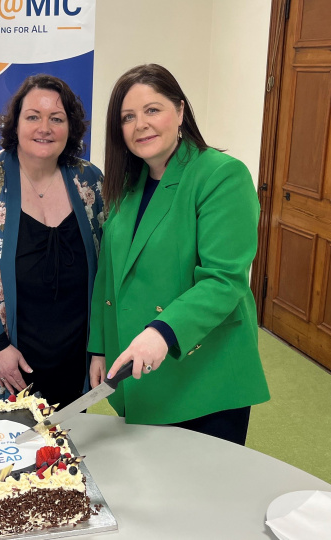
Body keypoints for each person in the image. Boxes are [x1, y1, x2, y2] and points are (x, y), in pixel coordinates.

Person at [88, 64, 270, 445]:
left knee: (201, 493)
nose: (141, 124)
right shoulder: (128, 182)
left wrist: (161, 332)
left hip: (204, 372)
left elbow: (224, 280)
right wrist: (100, 348)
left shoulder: (221, 175)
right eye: (128, 117)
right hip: (141, 368)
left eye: (152, 110)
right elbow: (108, 272)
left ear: (181, 112)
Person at [0, 74, 105, 408]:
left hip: (72, 353)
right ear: (15, 124)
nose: (44, 127)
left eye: (56, 119)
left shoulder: (90, 182)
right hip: (2, 358)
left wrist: (100, 345)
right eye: (33, 116)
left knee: (63, 452)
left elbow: (108, 266)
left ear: (70, 128)